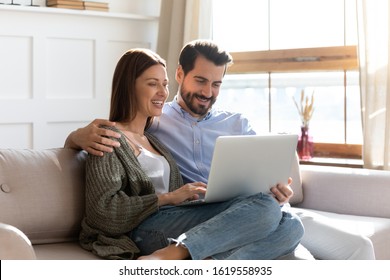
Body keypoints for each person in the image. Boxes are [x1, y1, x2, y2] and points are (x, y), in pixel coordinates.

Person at [77, 47, 303, 260]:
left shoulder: (152, 137)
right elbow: (102, 213)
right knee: (266, 209)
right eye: (152, 84)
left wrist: (275, 191)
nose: (162, 93)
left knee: (292, 225)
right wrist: (75, 138)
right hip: (149, 226)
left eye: (164, 85)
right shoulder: (108, 137)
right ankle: (171, 254)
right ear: (130, 86)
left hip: (192, 216)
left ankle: (207, 263)